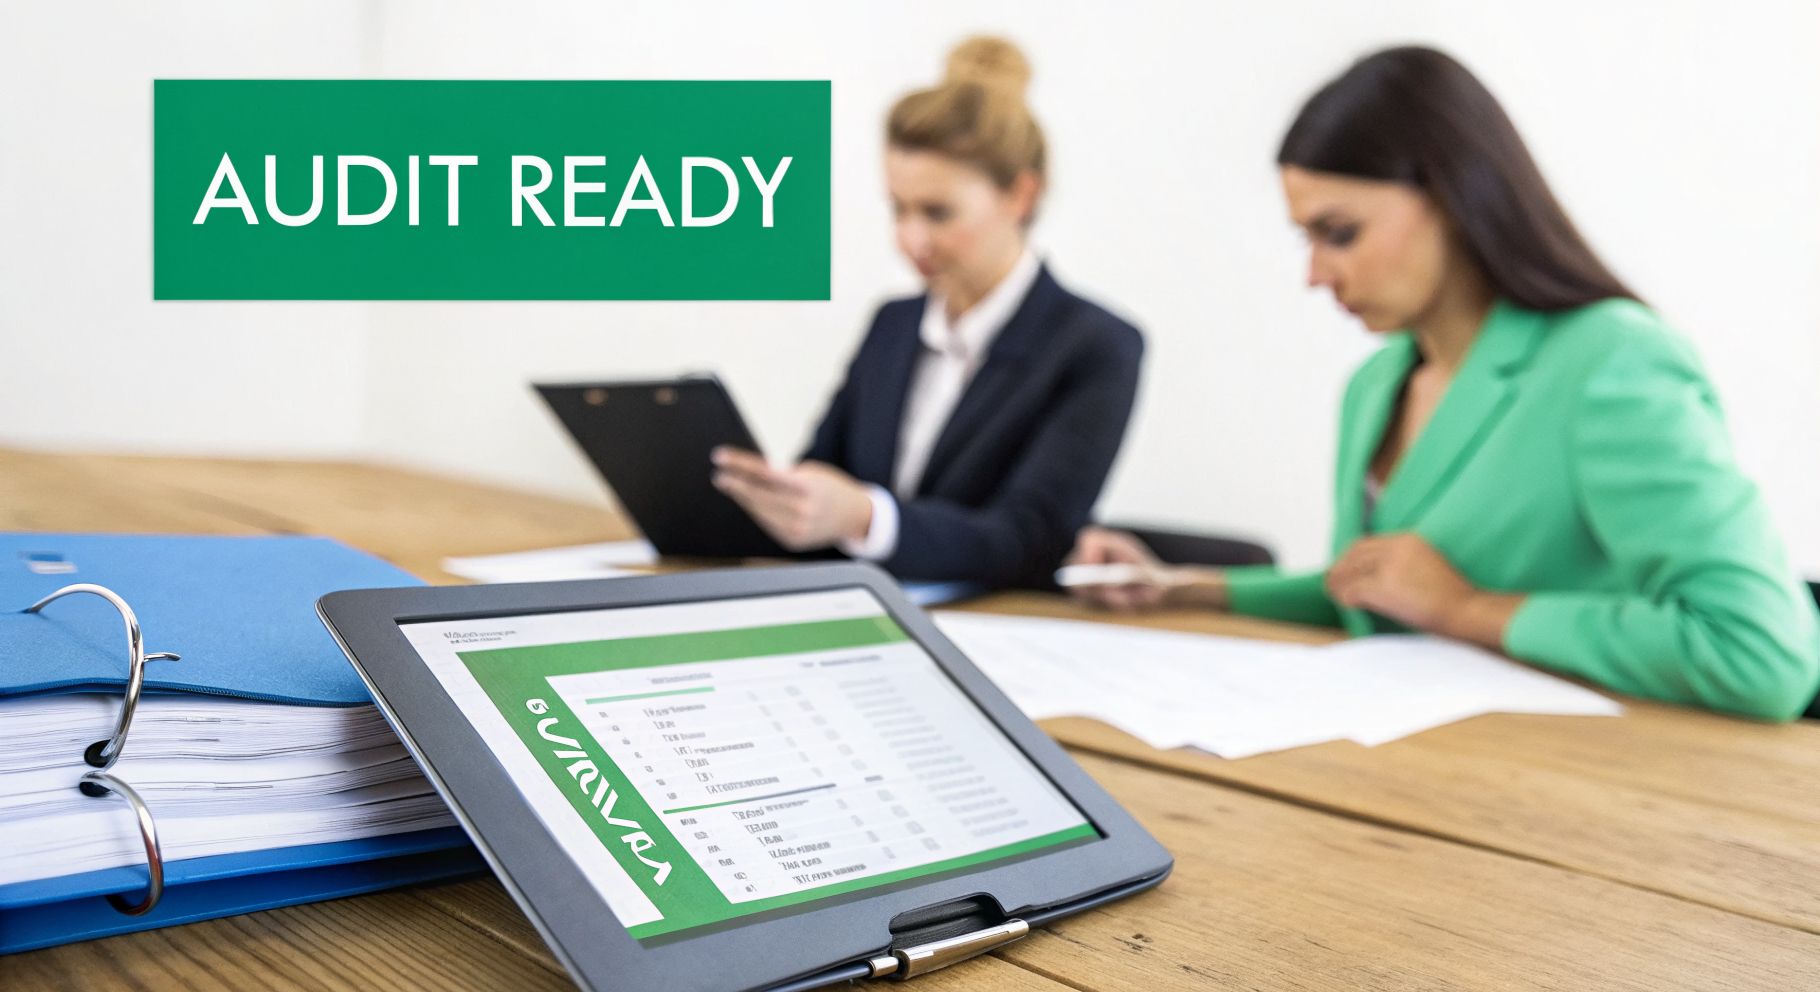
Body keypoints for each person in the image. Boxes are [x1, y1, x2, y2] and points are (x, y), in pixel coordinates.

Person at [1068, 46, 1820, 721]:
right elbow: (1380, 592)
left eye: (1341, 233)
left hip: (1587, 801)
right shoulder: (1376, 385)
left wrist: (1466, 608)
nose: (1315, 274)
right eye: (1306, 238)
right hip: (1414, 778)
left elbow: (1762, 656)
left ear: (1453, 200)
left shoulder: (1610, 361)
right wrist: (1181, 586)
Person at [711, 37, 1143, 590]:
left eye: (938, 212)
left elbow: (1031, 537)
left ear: (1021, 196)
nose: (911, 239)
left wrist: (864, 518)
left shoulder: (1095, 345)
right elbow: (824, 467)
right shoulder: (893, 324)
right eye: (899, 209)